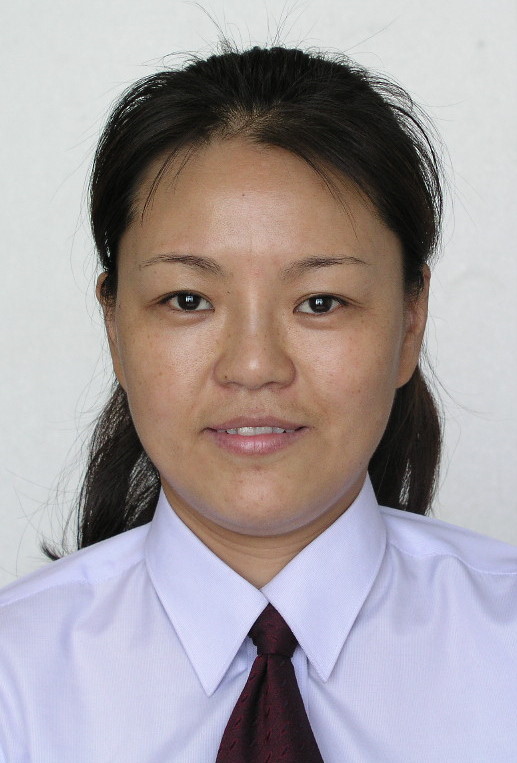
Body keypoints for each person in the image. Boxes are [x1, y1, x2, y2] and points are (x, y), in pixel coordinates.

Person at [0, 43, 516, 762]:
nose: (253, 367)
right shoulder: (14, 678)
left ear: (409, 320)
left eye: (319, 301)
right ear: (114, 325)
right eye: (187, 299)